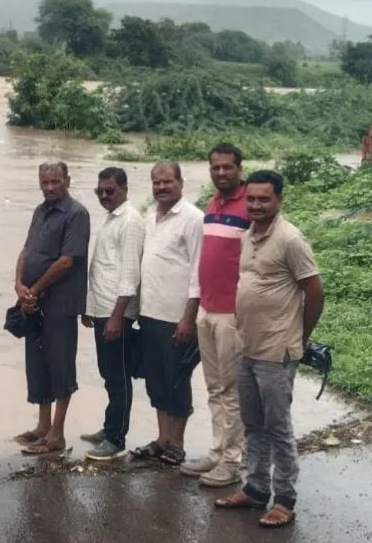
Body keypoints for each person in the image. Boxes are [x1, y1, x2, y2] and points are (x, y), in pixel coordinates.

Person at [214, 170, 325, 529]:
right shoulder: (248, 235)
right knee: (253, 424)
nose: (257, 205)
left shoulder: (291, 239)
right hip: (248, 346)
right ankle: (256, 489)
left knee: (278, 427)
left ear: (279, 199)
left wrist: (300, 338)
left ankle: (285, 500)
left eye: (264, 199)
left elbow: (315, 291)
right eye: (252, 199)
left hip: (278, 351)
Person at [13, 161, 91, 456]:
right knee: (38, 362)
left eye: (55, 182)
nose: (49, 188)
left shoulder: (76, 214)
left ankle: (57, 434)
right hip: (33, 303)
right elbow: (26, 250)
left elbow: (66, 261)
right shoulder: (39, 211)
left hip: (60, 303)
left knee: (60, 365)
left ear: (67, 180)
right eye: (45, 182)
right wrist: (19, 285)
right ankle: (42, 427)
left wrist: (35, 289)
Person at [183, 143, 250, 487]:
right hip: (207, 311)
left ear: (240, 168)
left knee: (232, 389)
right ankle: (216, 450)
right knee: (213, 387)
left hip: (233, 315)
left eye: (227, 167)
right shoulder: (211, 205)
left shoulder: (250, 206)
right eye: (215, 167)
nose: (221, 172)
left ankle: (231, 460)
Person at [131, 161, 204, 467]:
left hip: (178, 318)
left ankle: (178, 443)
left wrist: (189, 319)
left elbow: (199, 273)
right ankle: (162, 440)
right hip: (150, 313)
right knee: (156, 380)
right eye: (156, 182)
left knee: (177, 379)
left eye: (167, 182)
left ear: (181, 183)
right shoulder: (151, 218)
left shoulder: (193, 219)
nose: (161, 187)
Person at [80, 167, 146, 461]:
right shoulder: (113, 217)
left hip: (117, 313)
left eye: (110, 190)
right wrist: (90, 307)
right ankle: (109, 428)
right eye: (100, 191)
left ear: (125, 189)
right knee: (109, 374)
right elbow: (106, 267)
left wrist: (118, 316)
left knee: (118, 377)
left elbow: (130, 274)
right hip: (103, 308)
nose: (105, 196)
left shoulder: (130, 221)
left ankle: (117, 439)